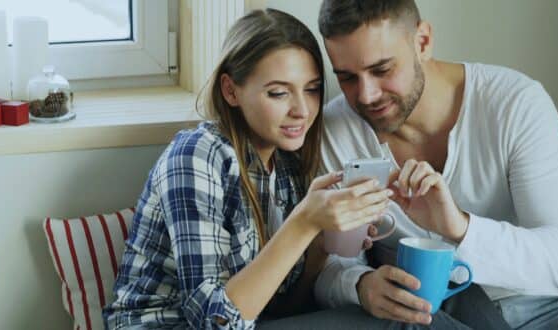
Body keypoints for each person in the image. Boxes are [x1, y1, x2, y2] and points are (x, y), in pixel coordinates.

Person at [312, 0, 558, 329]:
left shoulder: (515, 103)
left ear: (423, 41)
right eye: (346, 77)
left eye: (382, 70)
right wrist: (360, 285)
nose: (365, 95)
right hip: (438, 319)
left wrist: (460, 227)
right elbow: (329, 265)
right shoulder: (336, 129)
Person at [102, 9, 397, 329]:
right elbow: (216, 322)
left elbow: (284, 309)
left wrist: (318, 246)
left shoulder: (288, 167)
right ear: (230, 90)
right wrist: (303, 222)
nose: (301, 110)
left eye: (311, 89)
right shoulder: (196, 156)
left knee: (396, 318)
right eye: (279, 93)